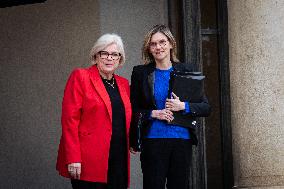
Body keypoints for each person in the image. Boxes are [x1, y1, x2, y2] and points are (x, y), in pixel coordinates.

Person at [130, 24, 211, 189]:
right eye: (153, 44)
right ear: (149, 48)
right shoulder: (141, 73)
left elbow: (205, 107)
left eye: (162, 42)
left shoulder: (187, 70)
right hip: (152, 140)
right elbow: (133, 110)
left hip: (181, 140)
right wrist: (154, 114)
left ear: (171, 43)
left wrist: (183, 106)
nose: (158, 47)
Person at [56, 33, 132, 189]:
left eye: (114, 54)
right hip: (88, 160)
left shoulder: (123, 84)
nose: (109, 58)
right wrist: (73, 158)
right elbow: (69, 120)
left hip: (118, 158)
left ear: (120, 59)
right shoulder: (81, 76)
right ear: (96, 55)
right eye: (104, 53)